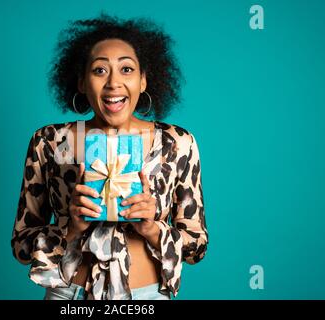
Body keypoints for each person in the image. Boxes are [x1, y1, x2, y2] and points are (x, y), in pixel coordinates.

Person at [11, 13, 208, 300]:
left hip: (149, 297)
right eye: (100, 70)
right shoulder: (51, 142)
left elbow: (196, 247)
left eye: (126, 70)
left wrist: (152, 229)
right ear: (81, 82)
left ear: (143, 81)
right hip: (70, 296)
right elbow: (21, 246)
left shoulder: (176, 144)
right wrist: (70, 228)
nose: (114, 82)